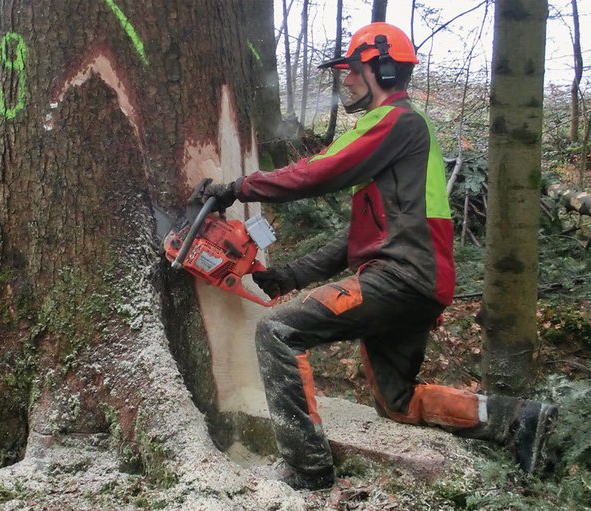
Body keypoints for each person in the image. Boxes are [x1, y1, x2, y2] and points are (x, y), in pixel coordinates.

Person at [197, 22, 558, 491]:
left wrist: (236, 188)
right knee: (398, 402)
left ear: (383, 70)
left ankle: (307, 467)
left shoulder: (396, 122)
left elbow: (317, 171)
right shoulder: (401, 146)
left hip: (400, 277)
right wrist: (288, 276)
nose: (345, 80)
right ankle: (520, 418)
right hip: (418, 282)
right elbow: (358, 238)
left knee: (278, 332)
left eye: (353, 69)